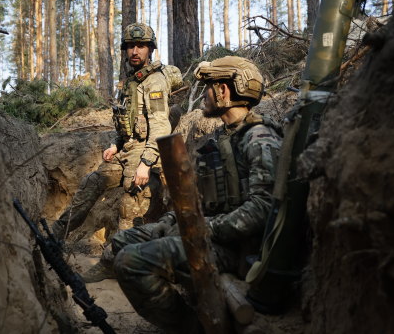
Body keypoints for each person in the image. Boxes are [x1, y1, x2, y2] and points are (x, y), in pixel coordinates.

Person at [93, 56, 283, 333]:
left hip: (238, 249)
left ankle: (189, 327)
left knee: (130, 262)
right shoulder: (223, 138)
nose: (204, 95)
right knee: (124, 239)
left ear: (223, 90)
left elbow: (263, 209)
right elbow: (207, 201)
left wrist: (203, 229)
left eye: (208, 87)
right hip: (211, 232)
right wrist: (172, 223)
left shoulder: (259, 139)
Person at [52, 23, 174, 256]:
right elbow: (125, 122)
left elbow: (160, 125)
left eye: (141, 46)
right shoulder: (130, 82)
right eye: (130, 46)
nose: (135, 51)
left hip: (146, 149)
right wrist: (115, 145)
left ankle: (119, 261)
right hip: (126, 149)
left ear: (150, 49)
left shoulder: (154, 82)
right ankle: (55, 236)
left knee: (131, 202)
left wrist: (146, 163)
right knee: (92, 182)